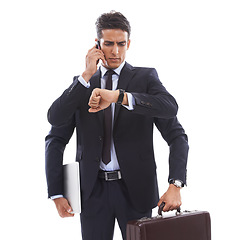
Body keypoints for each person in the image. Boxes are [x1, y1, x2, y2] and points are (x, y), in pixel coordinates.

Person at [45, 11, 189, 240]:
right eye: (109, 44)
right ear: (97, 45)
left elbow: (175, 128)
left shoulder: (145, 79)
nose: (115, 51)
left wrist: (176, 184)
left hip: (136, 192)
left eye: (121, 44)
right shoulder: (82, 84)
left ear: (129, 43)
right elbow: (55, 132)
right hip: (92, 193)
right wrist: (56, 192)